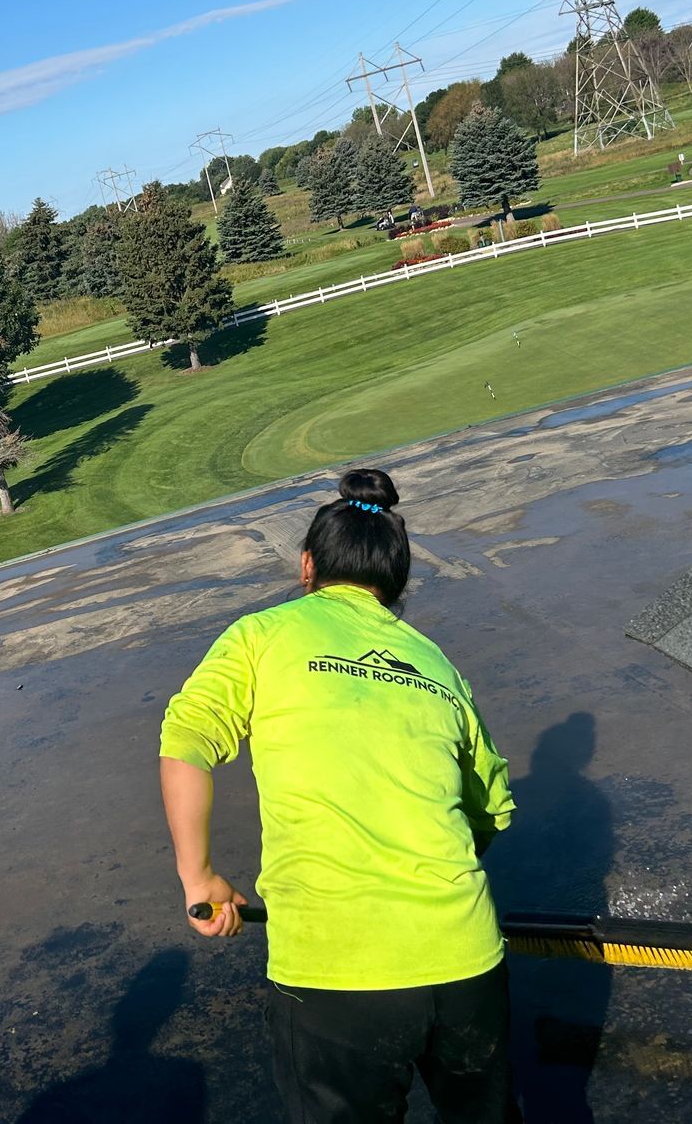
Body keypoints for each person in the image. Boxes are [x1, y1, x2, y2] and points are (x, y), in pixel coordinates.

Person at [158, 469, 519, 1123]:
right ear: (397, 583)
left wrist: (199, 876)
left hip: (334, 974)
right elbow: (489, 810)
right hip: (466, 963)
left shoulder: (261, 636)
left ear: (307, 565)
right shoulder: (437, 664)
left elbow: (186, 743)